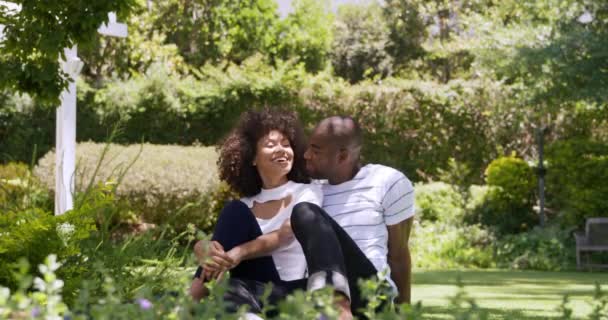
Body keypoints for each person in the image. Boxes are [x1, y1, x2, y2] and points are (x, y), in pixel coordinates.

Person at [189, 109, 323, 316]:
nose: (281, 150)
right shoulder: (245, 206)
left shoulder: (306, 191)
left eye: (286, 144)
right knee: (234, 212)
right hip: (247, 288)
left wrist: (239, 253)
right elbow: (220, 245)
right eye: (271, 145)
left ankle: (189, 304)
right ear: (252, 158)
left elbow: (285, 235)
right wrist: (202, 247)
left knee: (235, 213)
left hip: (289, 289)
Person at [288, 116, 415, 318]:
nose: (306, 155)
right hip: (319, 293)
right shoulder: (309, 189)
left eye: (315, 150)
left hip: (369, 292)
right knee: (241, 288)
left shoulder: (387, 181)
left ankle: (338, 307)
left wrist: (403, 316)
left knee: (305, 212)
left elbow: (398, 256)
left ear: (342, 156)